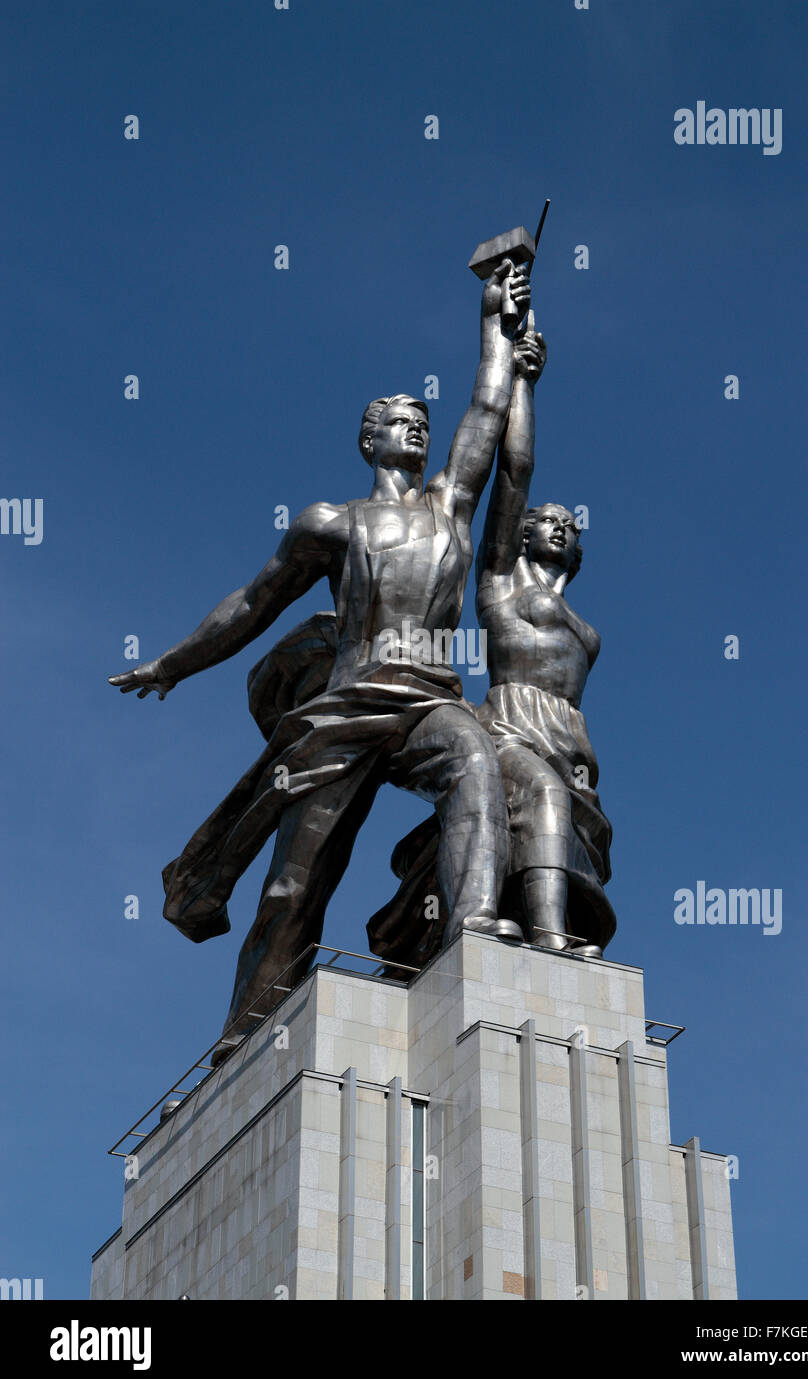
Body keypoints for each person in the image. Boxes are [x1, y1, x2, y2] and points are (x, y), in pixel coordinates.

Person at [109, 261, 530, 1060]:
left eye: (422, 420)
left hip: (427, 700)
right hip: (348, 703)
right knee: (296, 879)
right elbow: (251, 603)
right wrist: (172, 665)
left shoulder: (451, 508)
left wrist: (496, 323)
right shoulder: (331, 523)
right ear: (370, 439)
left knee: (475, 764)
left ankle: (472, 927)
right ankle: (246, 1031)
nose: (417, 428)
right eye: (400, 420)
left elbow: (485, 408)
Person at [366, 324, 615, 966]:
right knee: (542, 798)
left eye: (570, 525)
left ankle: (528, 925)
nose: (558, 527)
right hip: (510, 723)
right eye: (546, 521)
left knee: (555, 823)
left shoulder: (582, 622)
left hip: (571, 736)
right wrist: (525, 383)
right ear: (522, 535)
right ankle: (551, 939)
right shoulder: (502, 584)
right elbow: (516, 471)